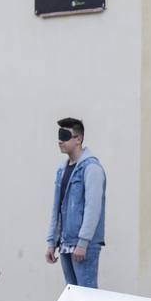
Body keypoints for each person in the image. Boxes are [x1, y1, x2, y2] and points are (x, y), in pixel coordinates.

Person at [45, 117, 106, 289]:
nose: (60, 141)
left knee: (87, 295)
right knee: (71, 294)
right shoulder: (62, 169)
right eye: (59, 135)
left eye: (65, 136)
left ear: (78, 139)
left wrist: (83, 242)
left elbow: (93, 208)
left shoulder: (91, 168)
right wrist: (52, 242)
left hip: (82, 244)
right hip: (65, 242)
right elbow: (57, 208)